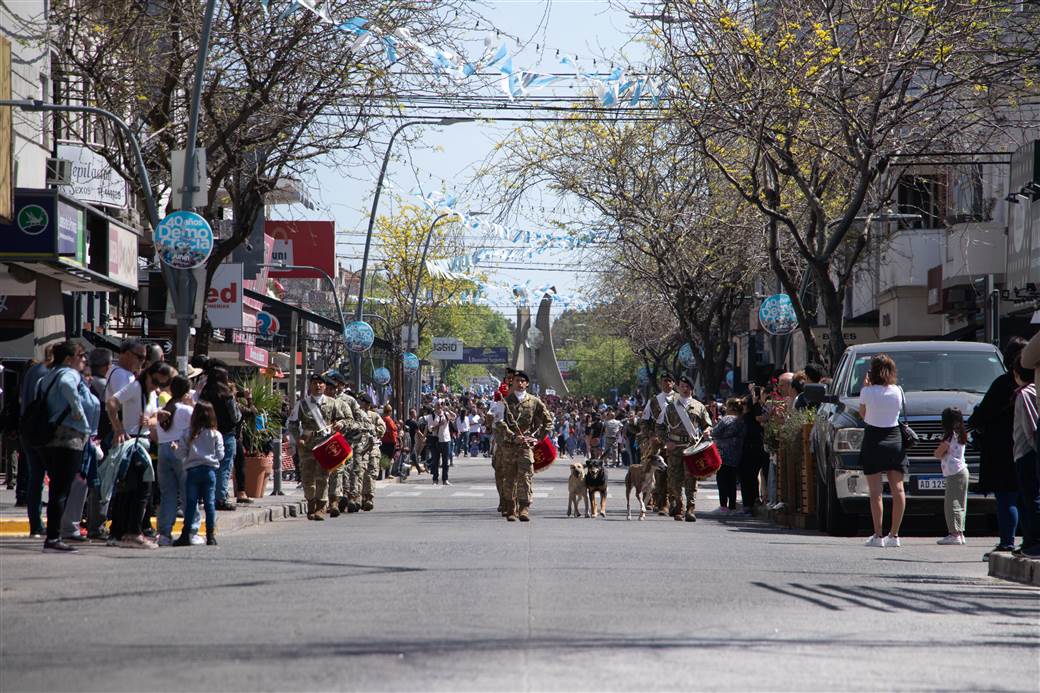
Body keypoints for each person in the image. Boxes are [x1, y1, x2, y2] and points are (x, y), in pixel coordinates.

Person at [37, 342, 99, 553]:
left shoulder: (48, 375)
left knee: (57, 488)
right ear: (68, 359)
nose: (83, 360)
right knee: (61, 490)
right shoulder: (68, 374)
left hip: (50, 437)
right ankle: (54, 538)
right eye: (80, 356)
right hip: (68, 437)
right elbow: (66, 385)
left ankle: (54, 536)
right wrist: (77, 410)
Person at [968, 336, 1027, 558]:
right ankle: (1029, 542)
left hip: (1003, 450)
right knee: (1027, 497)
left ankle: (1007, 542)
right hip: (1030, 447)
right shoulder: (1034, 385)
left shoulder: (1003, 384)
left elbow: (980, 416)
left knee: (1006, 497)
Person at [106, 361, 173, 548]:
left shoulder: (149, 393)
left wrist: (154, 418)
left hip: (141, 442)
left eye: (161, 385)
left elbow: (147, 417)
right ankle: (132, 532)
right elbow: (111, 403)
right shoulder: (135, 387)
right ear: (149, 374)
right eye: (155, 382)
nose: (156, 387)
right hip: (133, 443)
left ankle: (120, 533)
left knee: (130, 489)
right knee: (142, 489)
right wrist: (118, 428)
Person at [857, 354, 907, 548]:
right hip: (894, 438)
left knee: (876, 492)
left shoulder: (867, 392)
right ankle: (894, 535)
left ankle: (878, 536)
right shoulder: (898, 390)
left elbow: (863, 415)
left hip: (873, 439)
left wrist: (866, 387)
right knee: (898, 490)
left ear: (873, 372)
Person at [287, 373, 350, 520]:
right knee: (307, 478)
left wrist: (340, 424)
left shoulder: (332, 403)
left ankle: (321, 507)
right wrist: (298, 439)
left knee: (322, 477)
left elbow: (344, 420)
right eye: (315, 383)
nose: (318, 386)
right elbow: (292, 424)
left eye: (321, 384)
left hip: (325, 445)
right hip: (307, 446)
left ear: (325, 386)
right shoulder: (302, 404)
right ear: (310, 385)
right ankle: (311, 504)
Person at [496, 370, 552, 521]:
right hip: (510, 446)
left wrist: (537, 438)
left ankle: (524, 508)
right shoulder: (505, 400)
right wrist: (513, 436)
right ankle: (511, 509)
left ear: (527, 383)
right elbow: (499, 423)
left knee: (526, 477)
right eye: (517, 381)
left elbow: (548, 421)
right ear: (512, 383)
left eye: (522, 381)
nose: (520, 383)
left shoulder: (534, 401)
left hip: (526, 446)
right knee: (509, 478)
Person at [659, 375, 713, 522]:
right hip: (674, 447)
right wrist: (666, 441)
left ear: (691, 388)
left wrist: (707, 430)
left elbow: (707, 424)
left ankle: (690, 508)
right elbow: (660, 427)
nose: (684, 388)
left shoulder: (699, 406)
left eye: (687, 386)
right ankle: (679, 506)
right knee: (674, 479)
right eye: (682, 386)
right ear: (678, 388)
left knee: (691, 478)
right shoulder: (670, 407)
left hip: (692, 447)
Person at [155, 375, 200, 546]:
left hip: (163, 449)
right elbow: (200, 424)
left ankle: (164, 534)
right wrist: (192, 405)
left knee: (168, 494)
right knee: (189, 493)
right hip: (180, 450)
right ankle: (191, 532)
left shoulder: (164, 409)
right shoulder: (185, 410)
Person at [173, 401, 223, 546]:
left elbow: (180, 453)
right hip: (209, 471)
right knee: (209, 504)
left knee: (190, 504)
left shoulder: (188, 433)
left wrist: (175, 448)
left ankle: (185, 534)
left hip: (193, 471)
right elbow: (220, 455)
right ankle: (210, 535)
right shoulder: (215, 434)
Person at [18, 344, 54, 537]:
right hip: (40, 430)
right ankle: (40, 523)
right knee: (43, 478)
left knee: (35, 478)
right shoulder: (46, 374)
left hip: (27, 427)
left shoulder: (32, 370)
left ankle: (36, 523)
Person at [198, 367, 241, 510]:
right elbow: (235, 417)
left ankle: (207, 496)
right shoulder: (227, 395)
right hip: (226, 434)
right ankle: (220, 498)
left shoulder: (204, 393)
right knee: (224, 467)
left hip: (206, 433)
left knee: (208, 465)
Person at [1011, 356, 1039, 557]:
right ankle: (1029, 541)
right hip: (1026, 452)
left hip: (1026, 452)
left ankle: (1034, 542)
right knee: (1025, 499)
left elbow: (1031, 426)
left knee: (1030, 498)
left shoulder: (1025, 394)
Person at [932, 407, 969, 545]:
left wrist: (936, 452)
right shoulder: (960, 434)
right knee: (960, 503)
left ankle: (954, 534)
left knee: (951, 504)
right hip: (962, 471)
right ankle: (960, 532)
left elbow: (939, 453)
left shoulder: (949, 436)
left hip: (954, 473)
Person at [641, 373, 677, 515]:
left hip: (676, 442)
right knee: (659, 473)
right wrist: (650, 436)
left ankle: (675, 502)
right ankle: (662, 503)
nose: (667, 383)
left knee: (674, 473)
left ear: (674, 383)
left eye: (670, 381)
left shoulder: (680, 399)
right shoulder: (654, 401)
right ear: (661, 383)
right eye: (664, 381)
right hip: (657, 443)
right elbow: (644, 421)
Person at [352, 393, 386, 510]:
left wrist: (371, 431)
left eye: (364, 403)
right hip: (359, 447)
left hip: (372, 447)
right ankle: (358, 497)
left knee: (371, 473)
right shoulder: (355, 415)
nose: (361, 405)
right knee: (359, 472)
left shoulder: (374, 416)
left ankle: (369, 497)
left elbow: (382, 428)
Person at [712, 398, 745, 513]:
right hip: (736, 455)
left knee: (722, 481)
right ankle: (732, 506)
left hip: (723, 455)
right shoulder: (741, 421)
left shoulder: (726, 419)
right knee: (732, 482)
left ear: (730, 407)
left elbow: (714, 432)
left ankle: (723, 506)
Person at [424, 401, 456, 486]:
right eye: (438, 404)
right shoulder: (432, 416)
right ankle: (435, 479)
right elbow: (430, 429)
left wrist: (448, 410)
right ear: (434, 406)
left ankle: (445, 479)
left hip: (446, 440)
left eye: (441, 404)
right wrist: (439, 425)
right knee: (435, 461)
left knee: (445, 462)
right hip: (436, 440)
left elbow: (454, 417)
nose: (440, 406)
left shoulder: (445, 414)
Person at [380, 404, 398, 479]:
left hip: (385, 440)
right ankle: (388, 473)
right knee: (389, 458)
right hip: (390, 441)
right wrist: (394, 441)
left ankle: (384, 473)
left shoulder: (383, 419)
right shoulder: (388, 419)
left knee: (385, 457)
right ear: (390, 411)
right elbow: (392, 430)